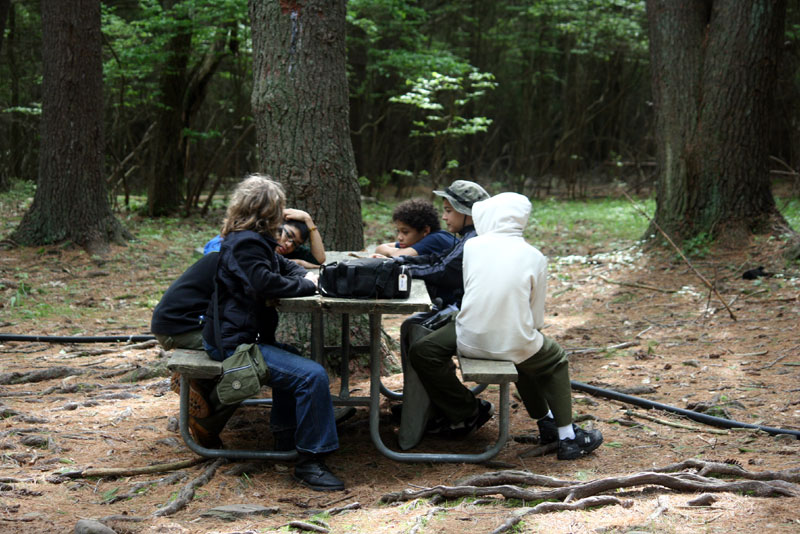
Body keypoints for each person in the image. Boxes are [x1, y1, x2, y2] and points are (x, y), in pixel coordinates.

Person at [202, 174, 344, 491]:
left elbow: (282, 268)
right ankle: (310, 462)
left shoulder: (252, 241)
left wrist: (303, 275)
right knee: (312, 376)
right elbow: (264, 283)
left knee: (295, 360)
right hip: (234, 345)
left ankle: (286, 440)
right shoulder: (246, 243)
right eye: (280, 208)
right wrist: (308, 286)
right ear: (268, 211)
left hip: (240, 337)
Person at [457, 192, 603, 460]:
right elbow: (536, 319)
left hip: (467, 339)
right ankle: (568, 438)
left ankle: (546, 421)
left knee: (524, 357)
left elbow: (470, 289)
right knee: (555, 359)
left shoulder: (472, 246)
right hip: (511, 341)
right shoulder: (534, 256)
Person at [388, 180, 492, 449]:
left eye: (448, 210)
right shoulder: (468, 236)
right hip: (464, 312)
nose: (444, 217)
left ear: (467, 212)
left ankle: (467, 411)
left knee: (422, 345)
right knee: (411, 327)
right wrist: (401, 262)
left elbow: (444, 272)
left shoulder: (475, 240)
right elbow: (440, 260)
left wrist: (400, 270)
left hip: (475, 318)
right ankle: (425, 405)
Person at [204, 208, 326, 269]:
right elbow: (228, 262)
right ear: (275, 226)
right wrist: (296, 263)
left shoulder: (285, 250)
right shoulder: (245, 239)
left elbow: (319, 259)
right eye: (288, 235)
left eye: (295, 244)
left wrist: (308, 220)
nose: (289, 244)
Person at [374, 198, 457, 257]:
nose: (399, 237)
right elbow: (380, 248)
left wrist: (398, 251)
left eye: (405, 232)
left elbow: (398, 256)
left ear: (425, 231)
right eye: (398, 231)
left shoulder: (435, 239)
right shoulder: (416, 241)